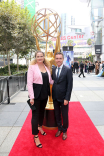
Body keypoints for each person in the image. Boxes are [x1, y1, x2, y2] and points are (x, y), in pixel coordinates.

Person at [27, 50, 53, 148]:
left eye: (41, 56)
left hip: (44, 94)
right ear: (35, 58)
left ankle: (40, 127)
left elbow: (50, 81)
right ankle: (36, 136)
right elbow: (29, 83)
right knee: (35, 115)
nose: (40, 58)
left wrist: (60, 81)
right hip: (36, 95)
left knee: (42, 112)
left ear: (43, 57)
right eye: (38, 56)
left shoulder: (46, 67)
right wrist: (31, 97)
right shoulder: (32, 67)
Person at [52, 52, 73, 140]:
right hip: (55, 97)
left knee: (64, 115)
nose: (58, 60)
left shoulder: (67, 69)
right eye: (57, 58)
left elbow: (69, 85)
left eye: (60, 58)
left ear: (63, 59)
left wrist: (67, 98)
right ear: (55, 59)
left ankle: (64, 131)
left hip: (64, 97)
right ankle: (59, 128)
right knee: (57, 114)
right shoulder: (53, 69)